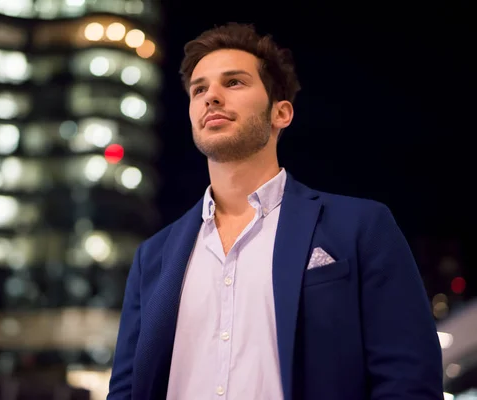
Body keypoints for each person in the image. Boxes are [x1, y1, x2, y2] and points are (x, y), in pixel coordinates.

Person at [107, 23, 443, 400]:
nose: (211, 96)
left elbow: (409, 381)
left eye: (233, 83)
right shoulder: (152, 257)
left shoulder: (361, 227)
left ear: (281, 113)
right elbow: (127, 389)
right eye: (199, 89)